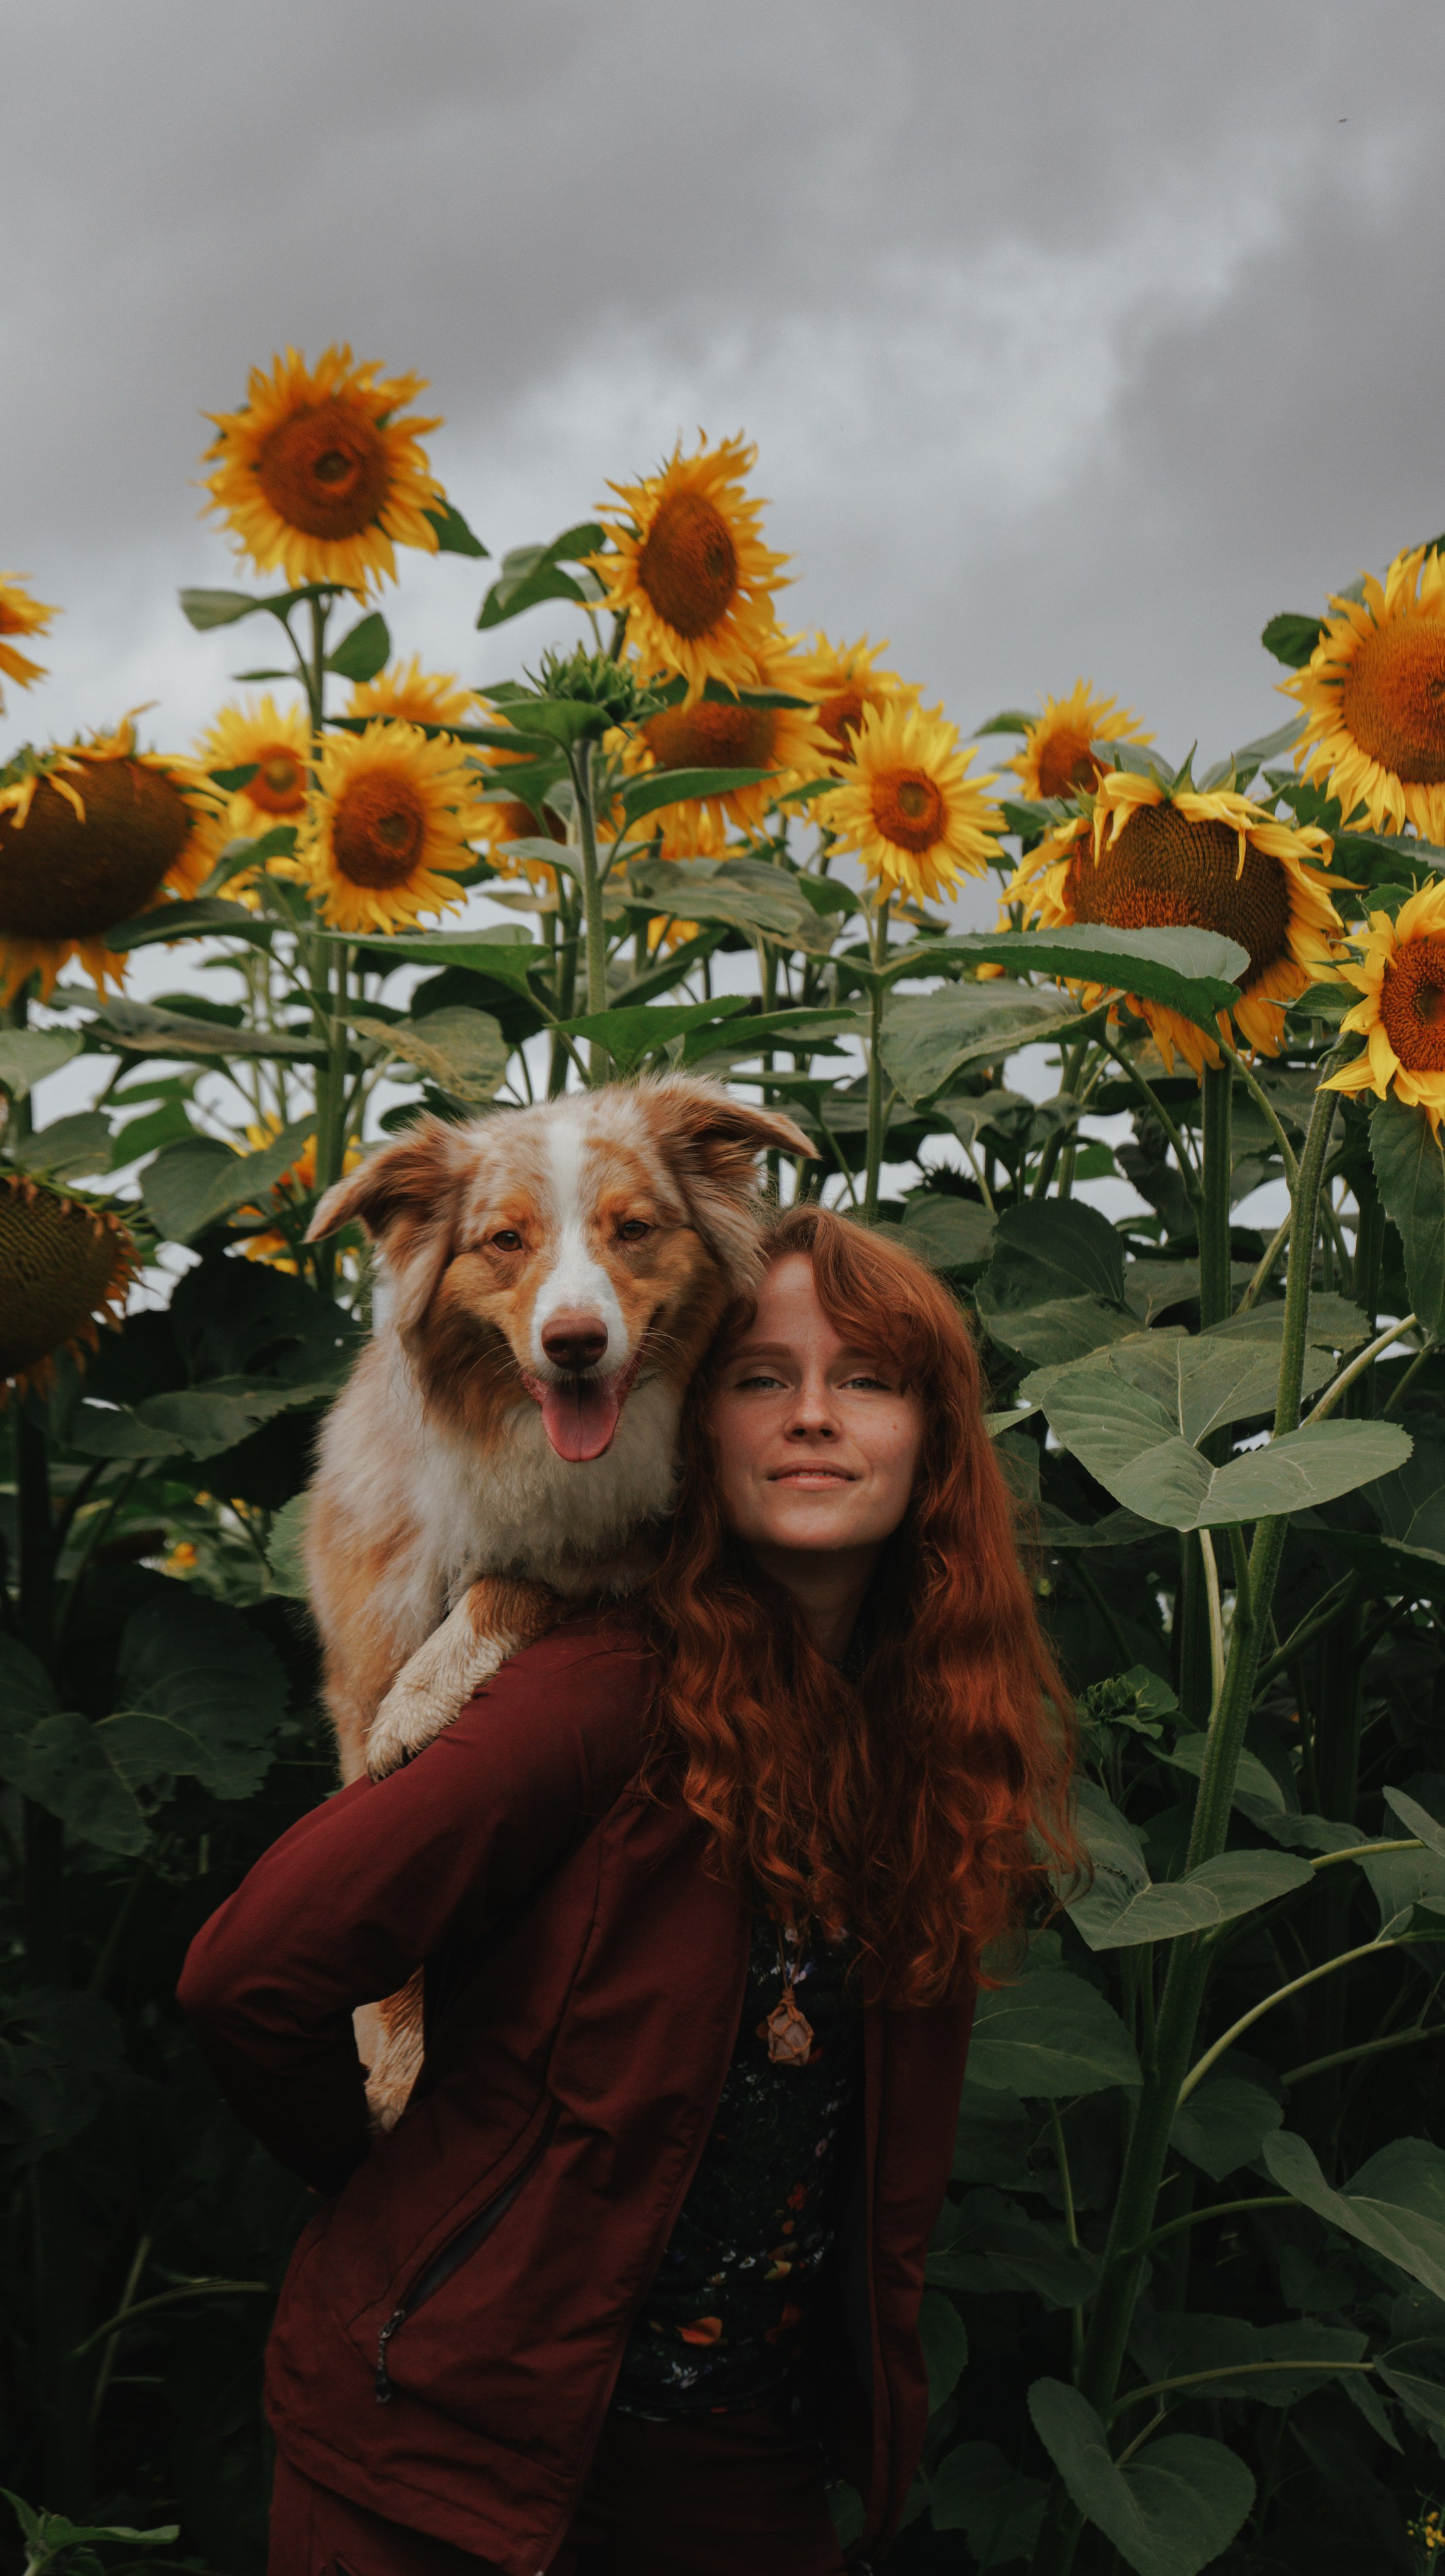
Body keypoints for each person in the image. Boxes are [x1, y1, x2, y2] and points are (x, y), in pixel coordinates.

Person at [178, 1203, 1075, 2576]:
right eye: (760, 1376)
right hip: (444, 2463)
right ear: (689, 1423)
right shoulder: (598, 1690)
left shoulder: (925, 1745)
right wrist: (407, 2193)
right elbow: (256, 1969)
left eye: (871, 1378)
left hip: (725, 2468)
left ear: (935, 1437)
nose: (815, 1415)